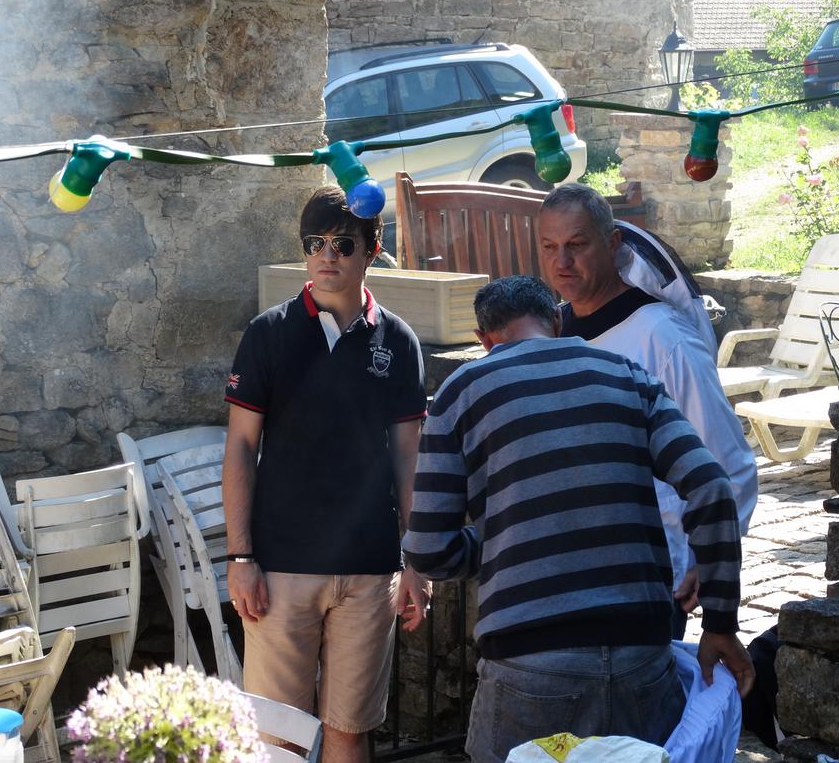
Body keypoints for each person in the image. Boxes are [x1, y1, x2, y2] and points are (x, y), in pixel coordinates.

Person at [402, 275, 755, 763]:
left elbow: (427, 550)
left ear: (484, 339)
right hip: (641, 656)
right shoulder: (627, 375)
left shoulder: (462, 391)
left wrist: (502, 542)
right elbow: (712, 486)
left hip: (529, 662)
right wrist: (720, 623)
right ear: (557, 321)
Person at [223, 185, 431, 763]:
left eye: (342, 244)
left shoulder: (399, 340)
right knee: (279, 739)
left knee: (348, 732)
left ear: (372, 249)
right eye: (314, 243)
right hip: (281, 569)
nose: (326, 256)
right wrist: (239, 557)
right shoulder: (268, 333)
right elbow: (240, 447)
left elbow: (409, 458)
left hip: (370, 570)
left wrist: (417, 559)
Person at [538, 183, 758, 639]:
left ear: (612, 244)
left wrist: (711, 560)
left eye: (576, 245)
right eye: (549, 247)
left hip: (650, 573)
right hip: (569, 567)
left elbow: (726, 461)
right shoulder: (550, 335)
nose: (562, 262)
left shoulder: (663, 338)